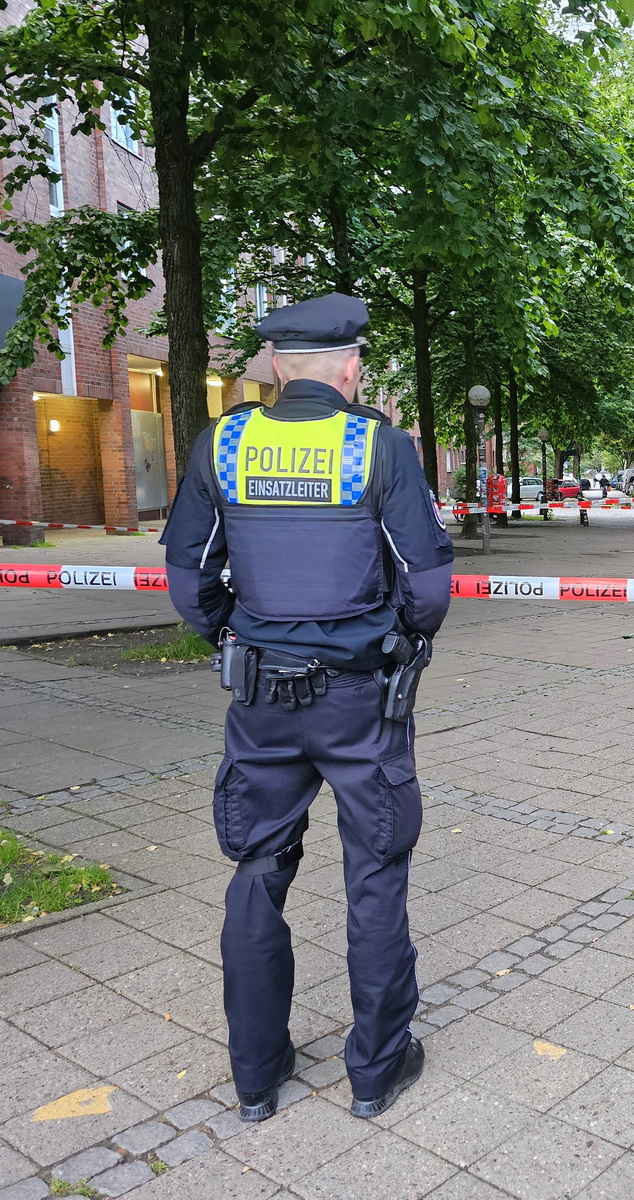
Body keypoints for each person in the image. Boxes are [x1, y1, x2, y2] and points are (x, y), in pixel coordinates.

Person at [161, 293, 454, 1122]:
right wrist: (393, 638)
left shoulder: (223, 442)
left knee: (257, 872)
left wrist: (234, 633)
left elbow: (189, 580)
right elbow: (429, 589)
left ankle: (256, 1079)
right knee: (375, 871)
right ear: (352, 366)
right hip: (360, 701)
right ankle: (376, 1070)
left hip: (261, 698)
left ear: (277, 365)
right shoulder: (379, 447)